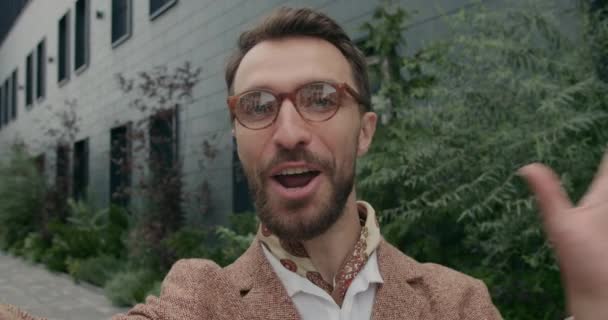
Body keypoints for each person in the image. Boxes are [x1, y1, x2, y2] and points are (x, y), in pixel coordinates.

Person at [2, 6, 606, 320]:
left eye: (321, 99)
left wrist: (596, 302)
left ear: (364, 131)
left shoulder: (455, 303)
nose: (288, 132)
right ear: (238, 134)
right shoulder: (202, 296)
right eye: (258, 106)